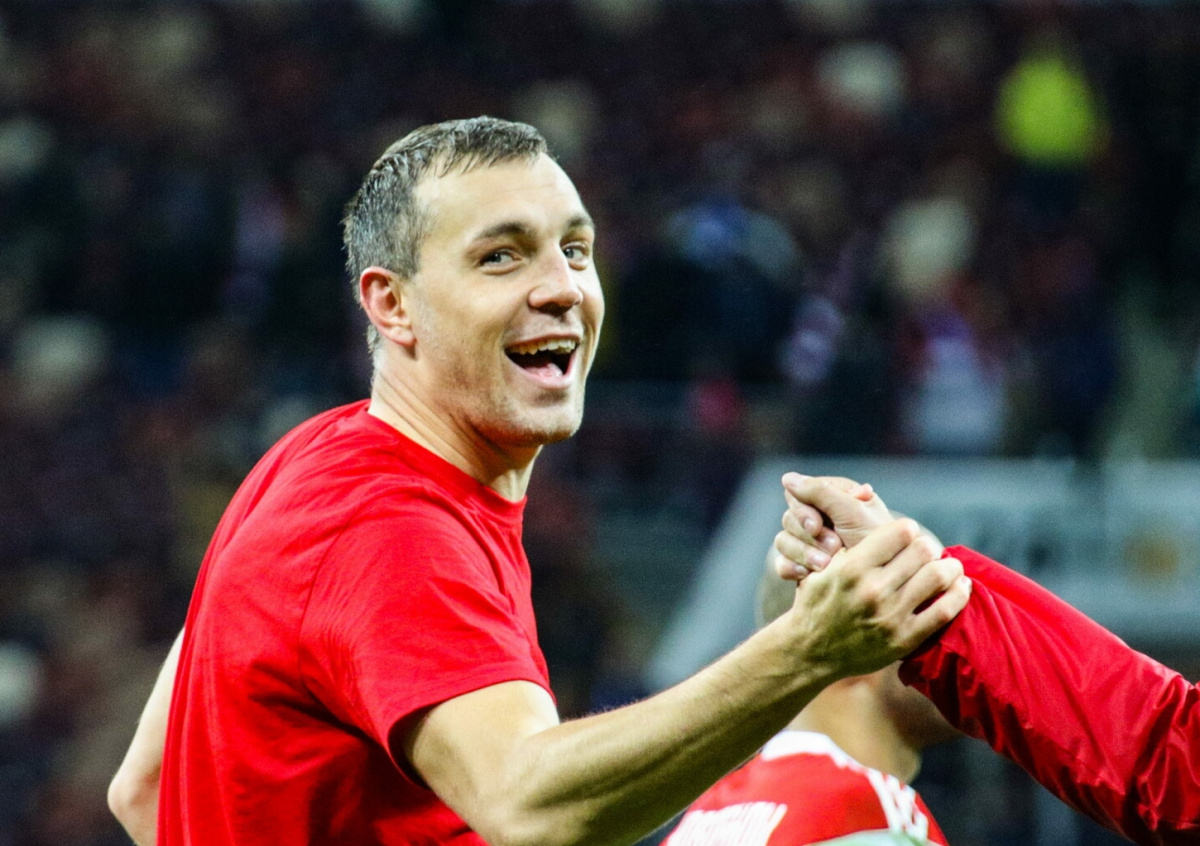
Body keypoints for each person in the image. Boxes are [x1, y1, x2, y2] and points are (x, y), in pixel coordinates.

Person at [106, 117, 972, 846]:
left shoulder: (313, 458)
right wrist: (806, 651)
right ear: (391, 305)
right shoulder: (389, 524)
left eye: (576, 250)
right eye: (501, 257)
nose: (562, 288)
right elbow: (529, 806)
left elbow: (146, 790)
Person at [776, 473, 1200, 846]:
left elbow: (1167, 755)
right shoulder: (871, 819)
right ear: (851, 638)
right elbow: (1170, 757)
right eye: (894, 614)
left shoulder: (740, 802)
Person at [663, 552, 960, 846]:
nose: (959, 647)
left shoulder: (701, 820)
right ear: (858, 641)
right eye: (930, 616)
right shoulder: (878, 814)